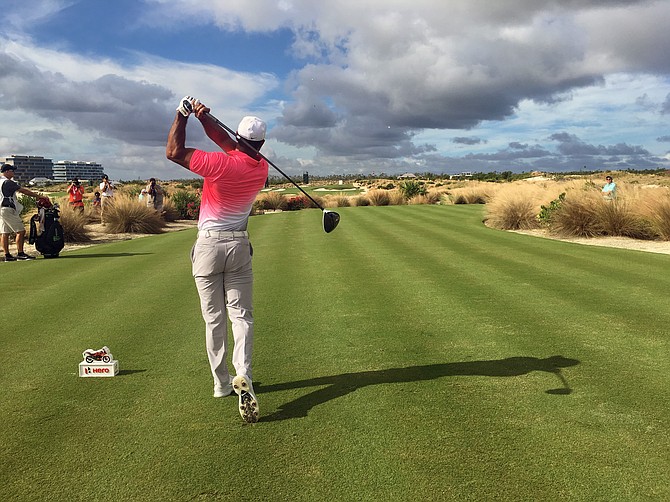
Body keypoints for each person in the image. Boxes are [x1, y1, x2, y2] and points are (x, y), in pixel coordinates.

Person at [166, 96, 268, 423]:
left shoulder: (221, 164)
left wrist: (182, 116)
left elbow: (174, 153)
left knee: (214, 319)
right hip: (239, 246)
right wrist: (203, 118)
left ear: (239, 139)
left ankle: (222, 384)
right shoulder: (261, 167)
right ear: (261, 142)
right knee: (242, 316)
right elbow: (229, 143)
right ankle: (244, 373)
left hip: (209, 247)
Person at [0, 163, 49, 261]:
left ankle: (7, 255)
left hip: (2, 209)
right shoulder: (8, 182)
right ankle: (20, 253)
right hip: (7, 209)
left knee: (5, 233)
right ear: (6, 172)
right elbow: (23, 191)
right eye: (12, 171)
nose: (13, 172)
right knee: (20, 231)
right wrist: (39, 196)